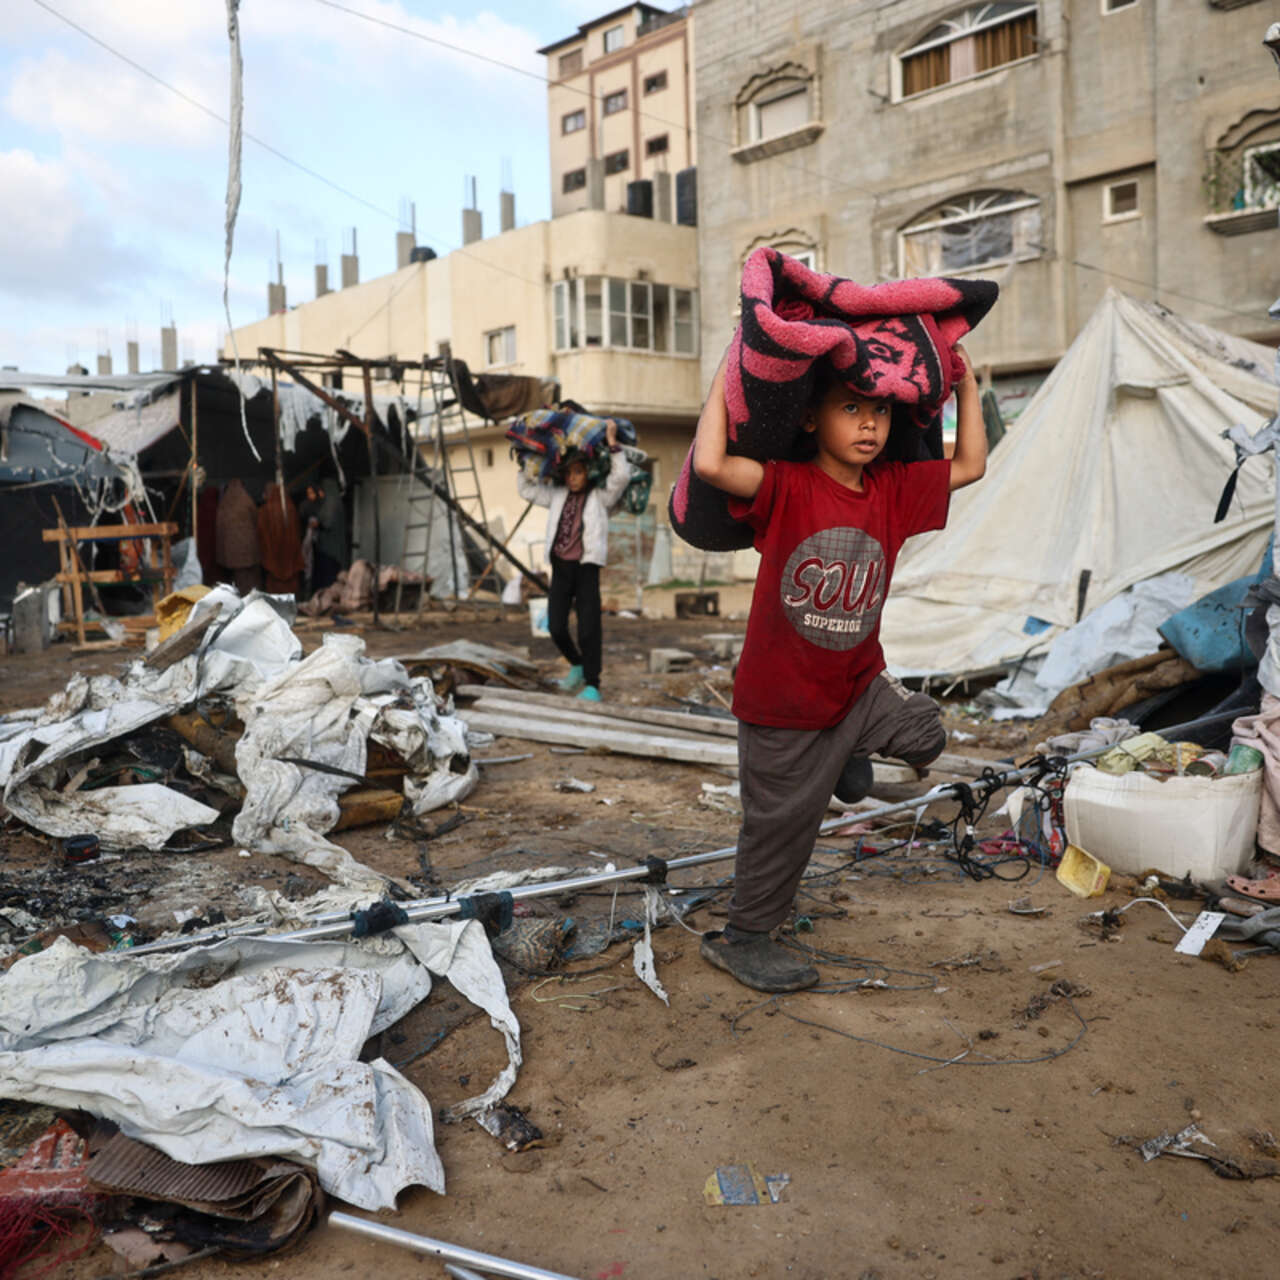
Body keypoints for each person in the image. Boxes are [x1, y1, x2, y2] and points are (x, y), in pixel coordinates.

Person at [690, 343, 987, 992]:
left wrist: (966, 384)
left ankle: (846, 756)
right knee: (780, 832)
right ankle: (742, 939)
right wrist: (726, 375)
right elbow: (710, 464)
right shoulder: (786, 485)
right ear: (809, 421)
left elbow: (970, 465)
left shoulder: (894, 491)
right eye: (850, 408)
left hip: (856, 687)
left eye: (879, 410)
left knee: (925, 736)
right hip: (782, 700)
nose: (869, 424)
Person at [518, 420, 633, 701]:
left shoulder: (599, 497)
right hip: (560, 567)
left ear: (588, 473)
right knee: (556, 626)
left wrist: (612, 441)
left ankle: (592, 683)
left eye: (578, 472)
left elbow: (620, 478)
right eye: (569, 473)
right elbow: (528, 491)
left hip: (586, 568)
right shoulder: (557, 495)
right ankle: (577, 665)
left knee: (588, 627)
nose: (572, 478)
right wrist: (524, 459)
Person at [299, 479, 347, 595]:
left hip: (330, 548)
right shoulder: (331, 502)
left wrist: (318, 524)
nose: (321, 493)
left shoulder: (331, 503)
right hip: (328, 547)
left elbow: (327, 522)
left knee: (327, 575)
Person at [257, 482, 305, 595]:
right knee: (290, 589)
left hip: (273, 558)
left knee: (275, 591)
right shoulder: (291, 507)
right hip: (290, 557)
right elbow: (298, 530)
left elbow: (261, 533)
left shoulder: (265, 509)